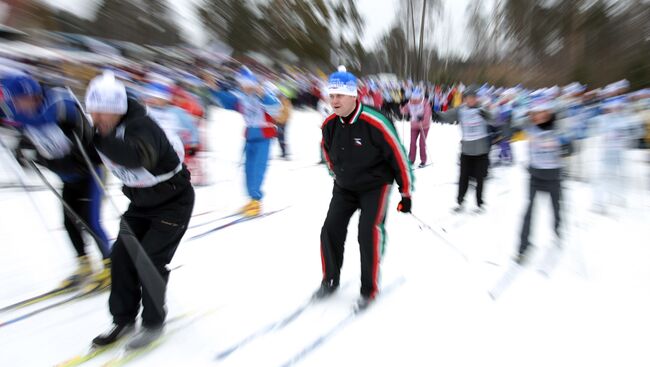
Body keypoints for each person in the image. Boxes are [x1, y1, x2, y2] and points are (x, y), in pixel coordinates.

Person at [86, 72, 195, 349]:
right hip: (140, 202)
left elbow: (137, 157)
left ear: (118, 109)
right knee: (122, 255)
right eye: (93, 113)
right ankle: (123, 319)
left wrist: (97, 140)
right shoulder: (102, 130)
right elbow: (80, 156)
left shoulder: (142, 125)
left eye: (103, 113)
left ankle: (153, 323)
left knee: (149, 259)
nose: (98, 119)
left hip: (173, 202)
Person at [316, 66, 414, 311]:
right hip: (345, 187)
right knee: (330, 229)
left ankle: (368, 289)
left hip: (375, 186)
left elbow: (398, 156)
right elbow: (327, 151)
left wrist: (406, 192)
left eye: (340, 95)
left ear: (353, 96)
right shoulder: (329, 124)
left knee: (367, 232)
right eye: (332, 95)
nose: (334, 100)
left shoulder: (375, 121)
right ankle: (330, 279)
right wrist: (336, 172)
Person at [0, 73, 111, 287]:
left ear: (33, 96)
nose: (19, 105)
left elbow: (76, 127)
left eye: (22, 100)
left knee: (91, 222)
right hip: (67, 177)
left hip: (90, 173)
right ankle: (84, 264)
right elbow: (32, 144)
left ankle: (111, 265)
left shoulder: (58, 105)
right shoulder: (20, 116)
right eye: (15, 102)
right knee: (68, 223)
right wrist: (23, 152)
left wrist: (70, 132)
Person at [213, 66, 281, 216]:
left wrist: (262, 93)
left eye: (247, 84)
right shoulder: (241, 97)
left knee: (257, 169)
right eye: (242, 84)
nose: (245, 87)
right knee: (248, 170)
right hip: (250, 137)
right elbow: (227, 101)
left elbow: (276, 106)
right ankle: (251, 200)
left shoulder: (263, 94)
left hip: (264, 136)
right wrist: (214, 88)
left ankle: (256, 201)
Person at [513, 99, 570, 264]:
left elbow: (570, 145)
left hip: (553, 176)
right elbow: (512, 129)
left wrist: (567, 147)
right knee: (529, 211)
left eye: (542, 112)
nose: (539, 116)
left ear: (548, 112)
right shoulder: (529, 127)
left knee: (556, 207)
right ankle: (523, 247)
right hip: (535, 176)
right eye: (535, 113)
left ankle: (557, 230)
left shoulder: (558, 128)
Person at [434, 86, 494, 213]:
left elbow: (493, 119)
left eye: (472, 98)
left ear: (476, 98)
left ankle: (479, 203)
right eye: (467, 98)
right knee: (463, 177)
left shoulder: (482, 109)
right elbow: (447, 116)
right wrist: (437, 115)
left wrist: (486, 114)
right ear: (465, 99)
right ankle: (460, 202)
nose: (470, 100)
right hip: (466, 151)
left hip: (481, 151)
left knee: (479, 178)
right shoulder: (460, 110)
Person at [400, 88, 432, 167]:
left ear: (420, 98)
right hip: (414, 126)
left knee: (422, 143)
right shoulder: (410, 103)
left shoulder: (425, 103)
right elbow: (404, 110)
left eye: (416, 99)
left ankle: (423, 160)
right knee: (412, 143)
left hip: (424, 126)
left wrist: (422, 119)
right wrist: (402, 108)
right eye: (413, 99)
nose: (414, 101)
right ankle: (411, 159)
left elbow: (428, 115)